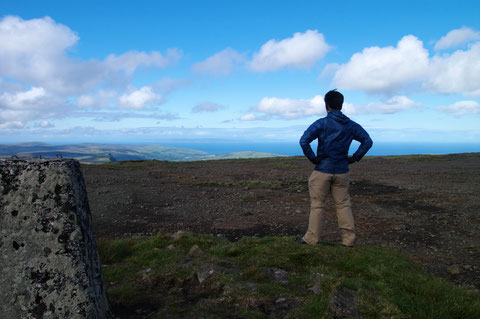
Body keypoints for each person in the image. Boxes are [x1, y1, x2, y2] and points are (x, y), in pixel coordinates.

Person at [299, 89, 372, 247]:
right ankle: (348, 240)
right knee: (343, 205)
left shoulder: (322, 123)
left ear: (327, 105)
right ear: (341, 104)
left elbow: (304, 141)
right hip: (342, 171)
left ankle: (311, 239)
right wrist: (354, 158)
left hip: (322, 170)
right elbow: (367, 141)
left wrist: (314, 159)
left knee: (317, 205)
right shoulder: (351, 125)